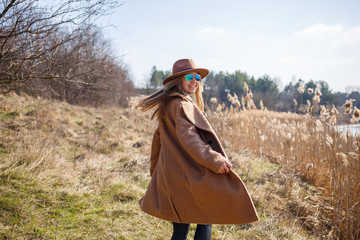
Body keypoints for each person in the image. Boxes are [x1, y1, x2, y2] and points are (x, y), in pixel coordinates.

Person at [136, 59, 258, 240]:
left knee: (180, 229)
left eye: (198, 77)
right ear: (178, 80)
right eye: (189, 76)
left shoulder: (170, 103)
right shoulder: (181, 104)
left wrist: (156, 169)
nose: (195, 80)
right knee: (205, 219)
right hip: (188, 173)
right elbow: (189, 137)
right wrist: (214, 159)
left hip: (174, 175)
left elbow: (159, 138)